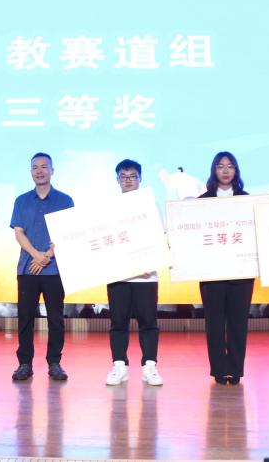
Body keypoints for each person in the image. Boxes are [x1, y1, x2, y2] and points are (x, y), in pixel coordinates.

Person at [10, 152, 74, 381]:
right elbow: (19, 233)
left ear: (52, 170)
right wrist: (37, 255)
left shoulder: (65, 201)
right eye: (35, 167)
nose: (39, 171)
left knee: (55, 318)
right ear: (31, 172)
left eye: (44, 167)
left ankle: (55, 362)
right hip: (27, 269)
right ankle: (24, 364)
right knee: (25, 318)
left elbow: (68, 233)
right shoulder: (21, 201)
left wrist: (47, 256)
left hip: (54, 269)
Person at [197, 151, 253, 385]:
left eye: (230, 166)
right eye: (220, 166)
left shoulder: (248, 201)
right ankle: (219, 370)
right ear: (214, 170)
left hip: (241, 273)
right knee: (215, 323)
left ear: (236, 170)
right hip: (212, 274)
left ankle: (236, 369)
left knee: (238, 323)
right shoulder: (201, 202)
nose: (226, 171)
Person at [105, 159, 162, 387]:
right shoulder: (109, 208)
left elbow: (159, 236)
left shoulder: (151, 205)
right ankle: (119, 366)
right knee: (118, 322)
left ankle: (150, 367)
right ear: (117, 180)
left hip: (146, 276)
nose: (128, 180)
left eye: (132, 176)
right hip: (117, 275)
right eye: (124, 176)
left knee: (148, 322)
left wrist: (150, 261)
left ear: (140, 179)